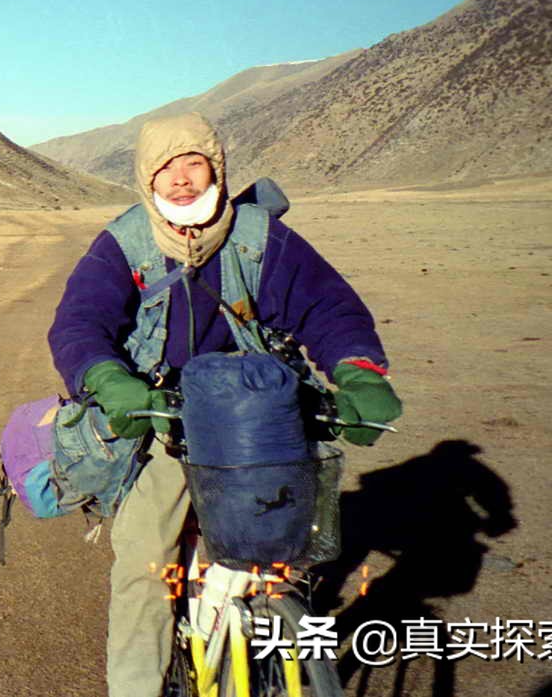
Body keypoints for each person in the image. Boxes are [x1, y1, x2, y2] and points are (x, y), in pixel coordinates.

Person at [47, 111, 403, 697]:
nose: (182, 179)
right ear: (147, 180)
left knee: (292, 553)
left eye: (194, 163)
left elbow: (328, 309)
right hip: (166, 417)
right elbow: (80, 325)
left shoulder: (262, 237)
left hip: (263, 418)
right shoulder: (125, 243)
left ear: (217, 167)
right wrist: (110, 381)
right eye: (166, 169)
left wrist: (359, 372)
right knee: (143, 564)